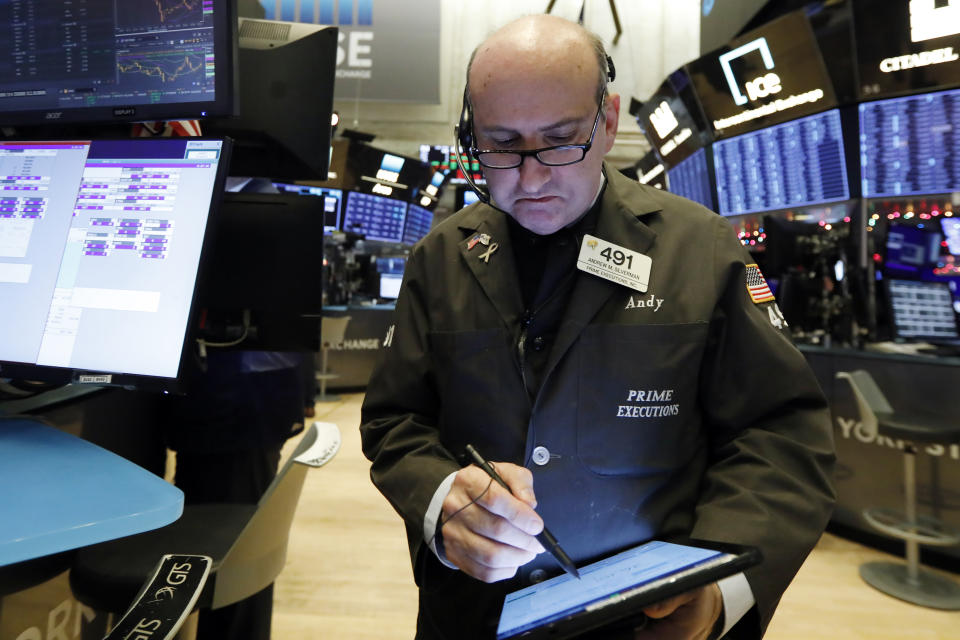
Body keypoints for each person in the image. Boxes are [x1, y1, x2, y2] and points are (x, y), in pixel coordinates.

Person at [360, 14, 835, 640]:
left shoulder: (700, 250)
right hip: (472, 615)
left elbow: (780, 434)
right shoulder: (442, 257)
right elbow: (395, 420)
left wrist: (718, 582)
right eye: (501, 145)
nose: (530, 178)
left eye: (560, 141)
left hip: (647, 618)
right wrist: (439, 494)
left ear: (607, 121)